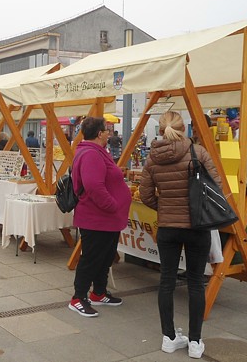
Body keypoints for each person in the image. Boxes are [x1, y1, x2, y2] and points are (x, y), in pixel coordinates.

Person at [139, 111, 221, 359]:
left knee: (167, 281)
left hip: (167, 228)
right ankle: (195, 342)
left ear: (161, 130)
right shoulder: (199, 152)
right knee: (196, 283)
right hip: (197, 227)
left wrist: (163, 208)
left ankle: (169, 338)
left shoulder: (152, 159)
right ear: (183, 129)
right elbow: (215, 187)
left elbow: (145, 195)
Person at [68, 116, 132, 317]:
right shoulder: (90, 154)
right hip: (97, 218)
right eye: (106, 130)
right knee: (92, 258)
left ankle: (99, 292)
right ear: (99, 134)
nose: (109, 133)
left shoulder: (96, 152)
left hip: (106, 220)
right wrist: (113, 205)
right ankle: (78, 297)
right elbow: (94, 186)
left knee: (104, 258)